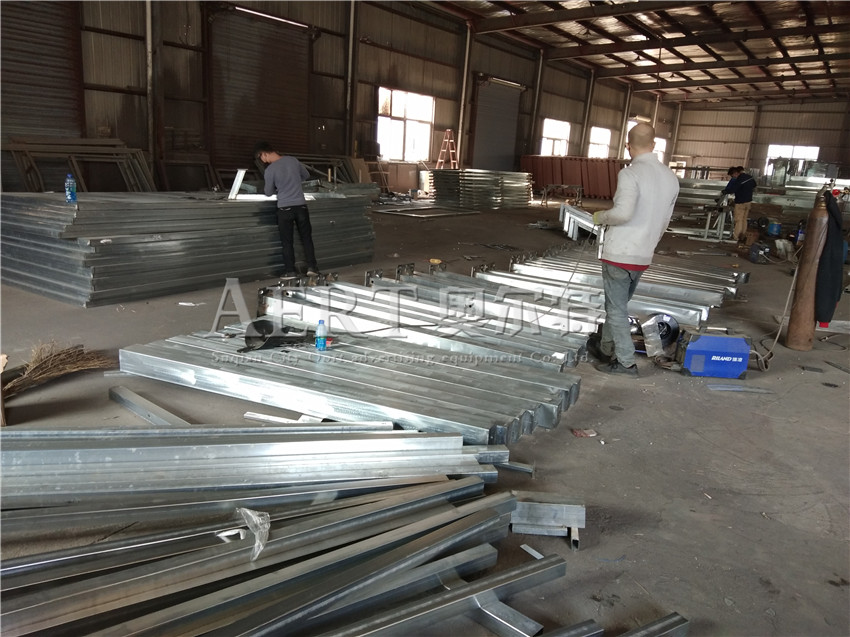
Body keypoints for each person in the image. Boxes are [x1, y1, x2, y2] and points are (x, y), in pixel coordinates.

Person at [586, 123, 679, 377]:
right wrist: (648, 244)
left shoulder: (630, 173)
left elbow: (622, 213)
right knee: (617, 305)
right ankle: (606, 347)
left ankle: (625, 362)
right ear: (654, 144)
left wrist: (600, 216)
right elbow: (664, 222)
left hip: (620, 252)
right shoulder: (670, 178)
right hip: (643, 254)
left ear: (627, 146)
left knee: (616, 309)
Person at [254, 141, 320, 277]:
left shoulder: (270, 170)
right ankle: (312, 268)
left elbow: (268, 192)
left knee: (287, 242)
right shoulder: (293, 160)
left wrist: (279, 187)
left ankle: (290, 271)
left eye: (261, 157)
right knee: (306, 239)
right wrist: (294, 181)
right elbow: (306, 175)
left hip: (285, 209)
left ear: (264, 154)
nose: (262, 161)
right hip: (301, 207)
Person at [722, 166, 756, 247]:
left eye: (732, 176)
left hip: (740, 202)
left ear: (735, 173)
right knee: (744, 219)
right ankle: (742, 236)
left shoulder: (739, 179)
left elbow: (733, 189)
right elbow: (754, 185)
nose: (733, 177)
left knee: (738, 220)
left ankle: (736, 237)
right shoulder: (750, 177)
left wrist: (725, 191)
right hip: (748, 201)